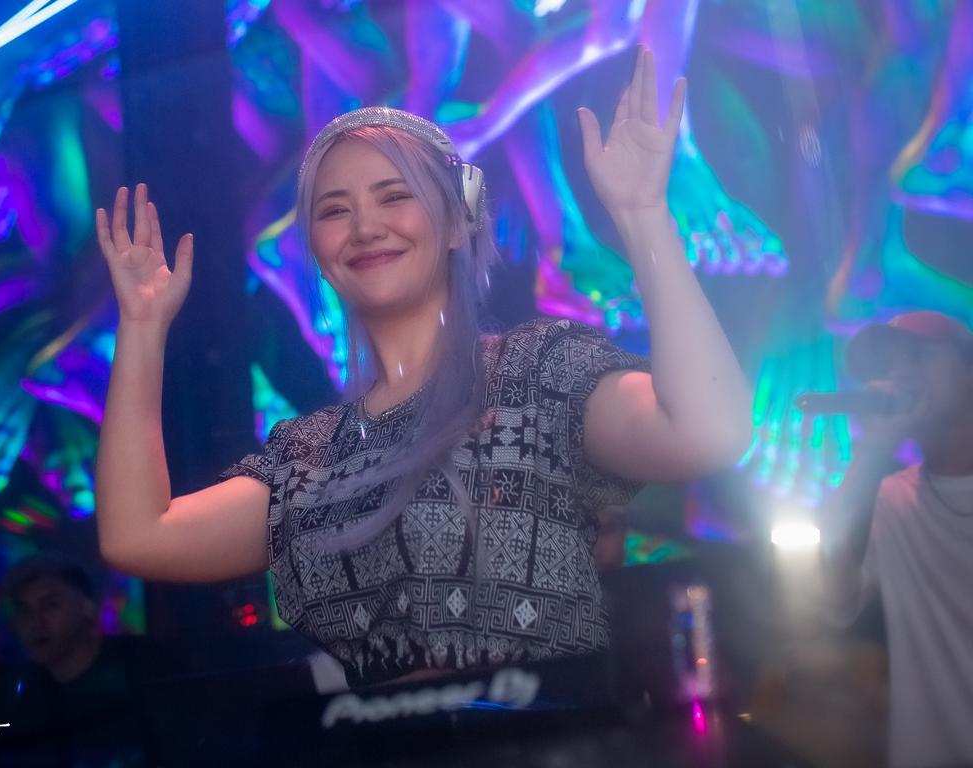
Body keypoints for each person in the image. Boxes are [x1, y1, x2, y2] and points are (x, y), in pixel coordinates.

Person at [94, 48, 751, 687]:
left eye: (394, 196)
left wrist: (643, 216)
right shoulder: (309, 461)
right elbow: (137, 536)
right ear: (317, 250)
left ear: (457, 223)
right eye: (335, 210)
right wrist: (143, 327)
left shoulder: (540, 375)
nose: (365, 227)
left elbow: (708, 432)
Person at [821, 310, 973, 768]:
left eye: (916, 355)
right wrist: (871, 452)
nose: (899, 373)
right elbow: (831, 596)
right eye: (888, 364)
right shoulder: (890, 499)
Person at [0, 553, 160, 767]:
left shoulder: (144, 666)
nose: (35, 623)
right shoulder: (22, 707)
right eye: (24, 610)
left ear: (88, 608)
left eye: (50, 605)